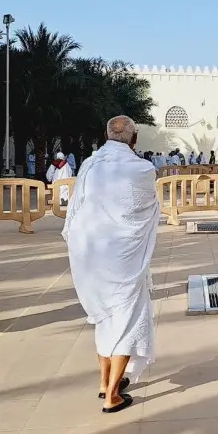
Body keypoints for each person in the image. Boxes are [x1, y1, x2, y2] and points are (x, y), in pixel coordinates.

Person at [63, 115, 158, 413]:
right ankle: (113, 395)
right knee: (127, 319)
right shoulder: (142, 169)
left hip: (90, 256)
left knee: (106, 318)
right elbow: (146, 208)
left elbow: (77, 210)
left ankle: (105, 382)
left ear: (105, 135)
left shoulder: (90, 165)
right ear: (134, 139)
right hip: (124, 261)